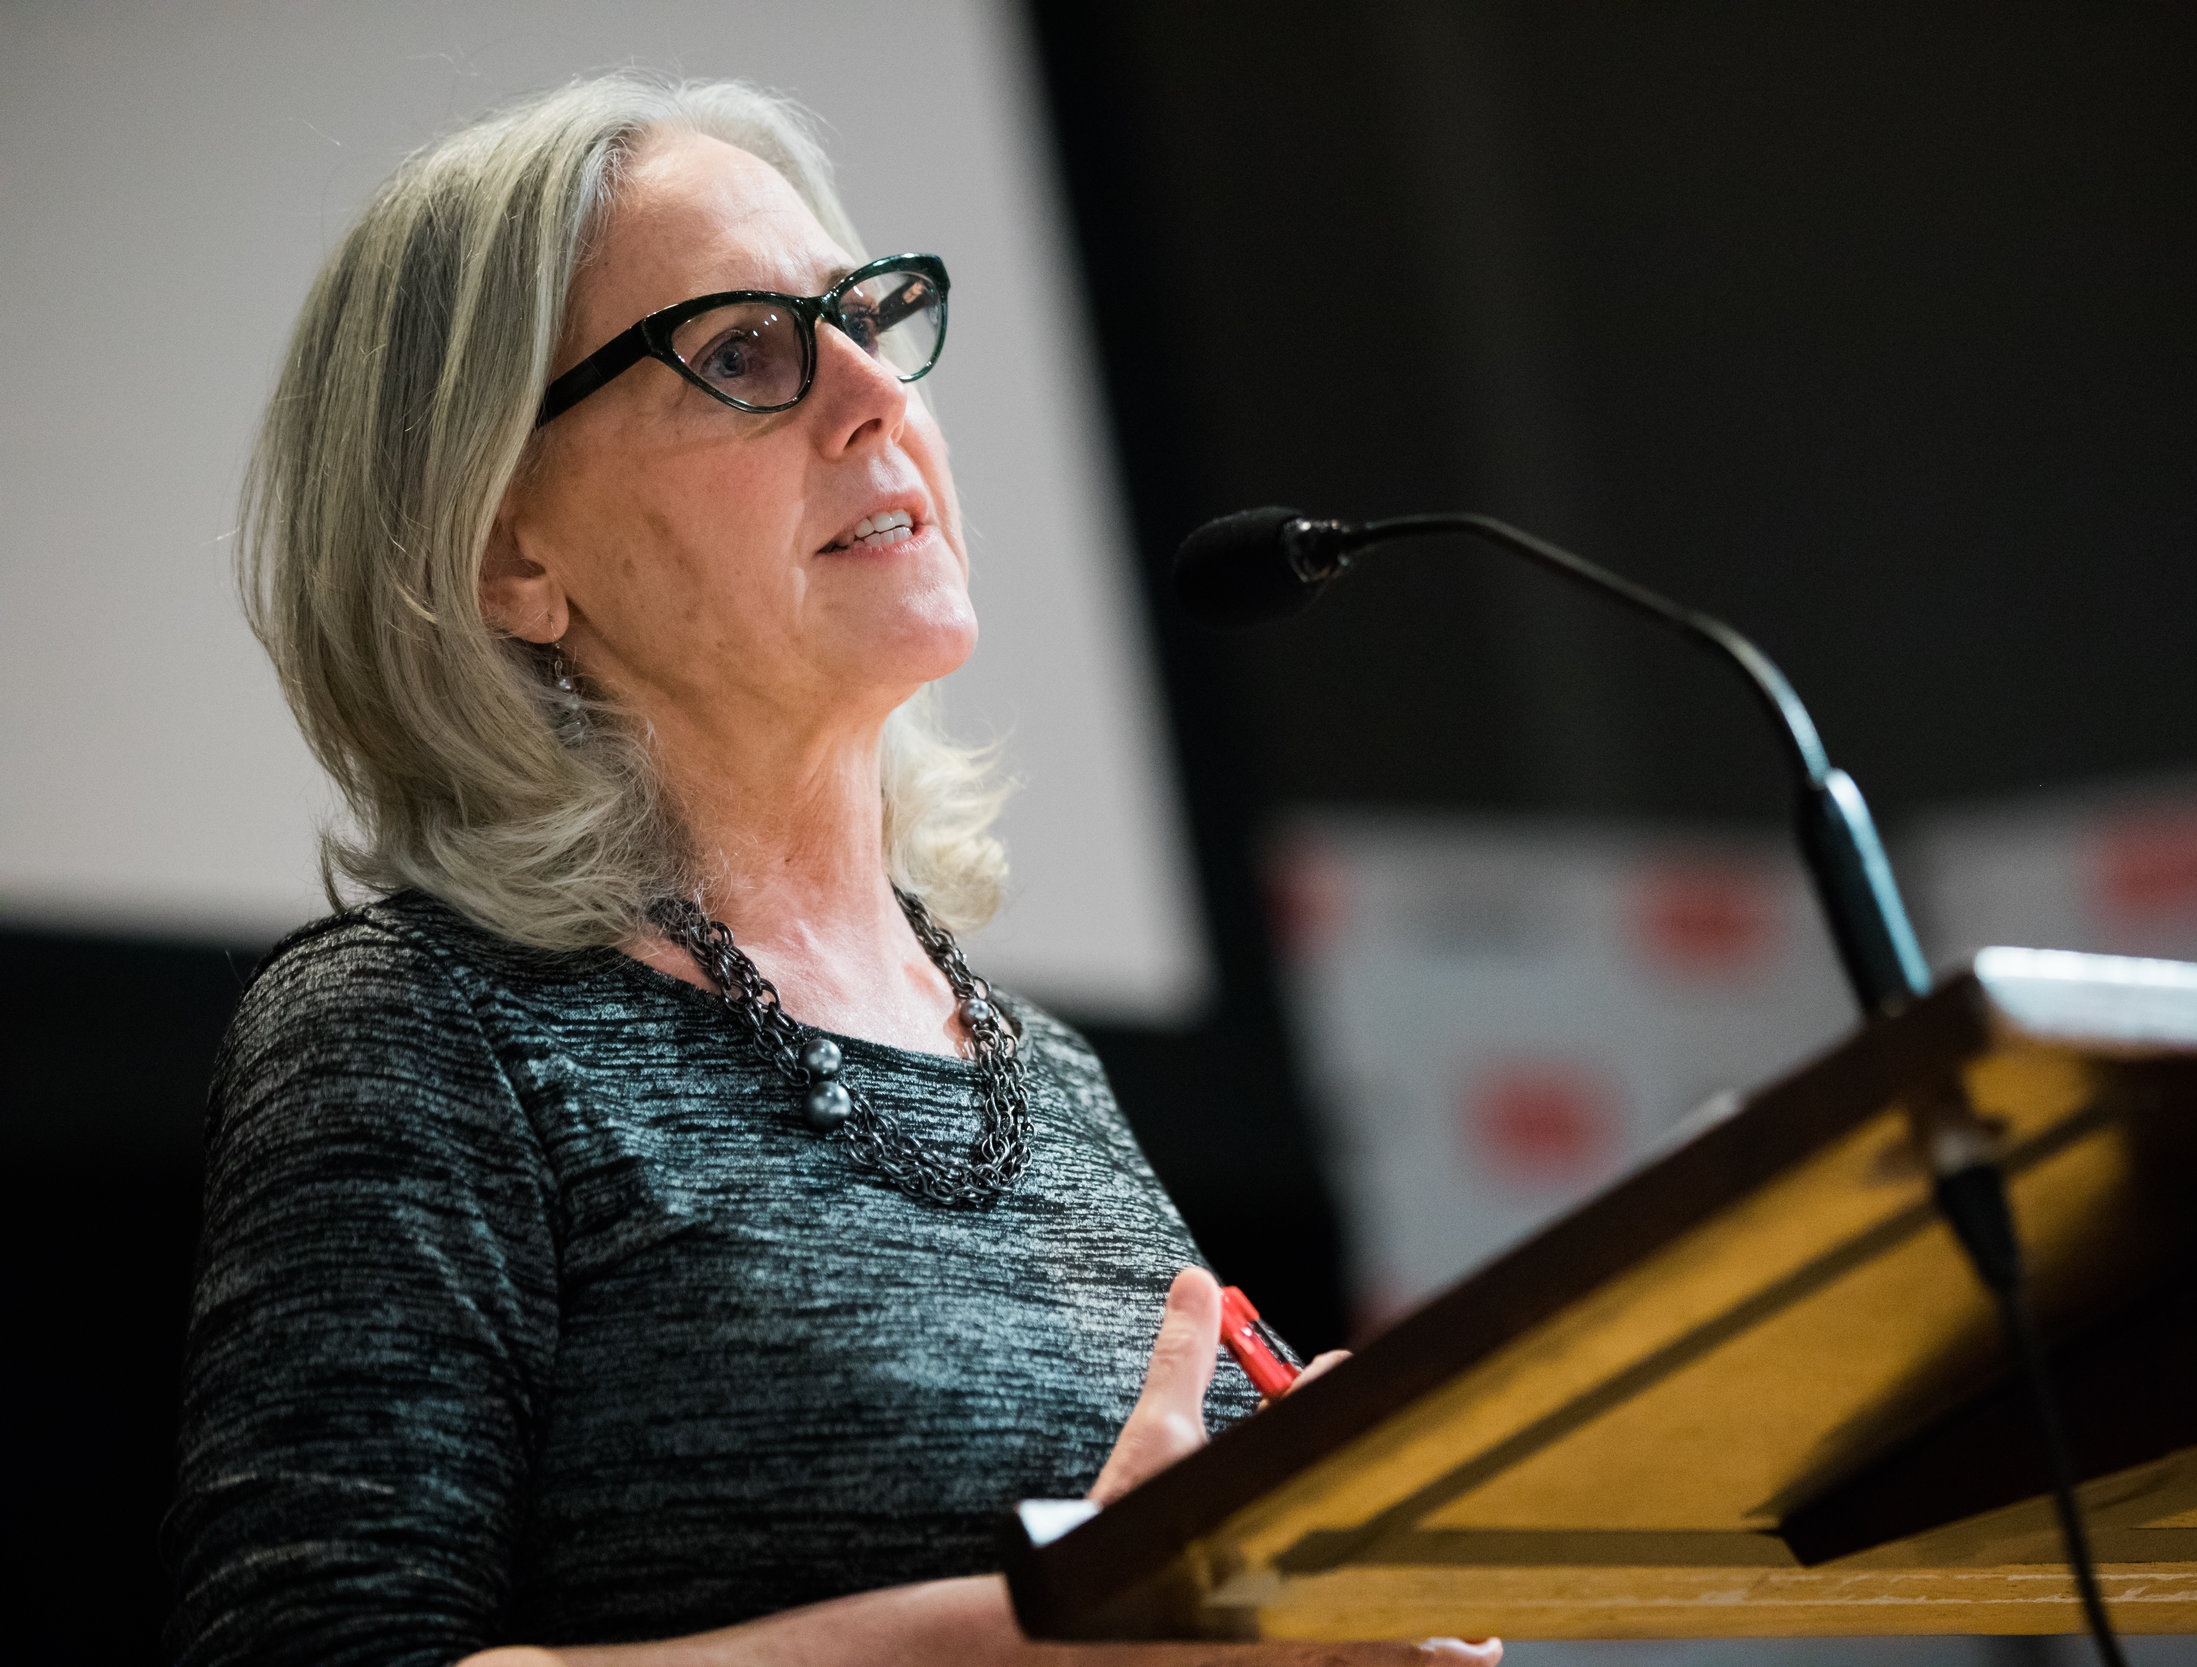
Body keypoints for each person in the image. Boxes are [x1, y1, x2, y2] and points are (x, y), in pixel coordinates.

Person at [165, 73, 1499, 1667]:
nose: (875, 392)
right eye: (743, 352)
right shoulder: (423, 1032)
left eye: (867, 317)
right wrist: (1032, 1639)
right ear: (508, 552)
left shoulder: (1037, 1068)